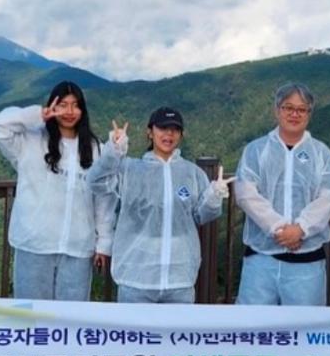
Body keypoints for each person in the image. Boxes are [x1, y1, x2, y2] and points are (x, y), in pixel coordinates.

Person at [87, 108, 229, 303]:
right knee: (134, 326)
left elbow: (200, 215)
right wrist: (113, 151)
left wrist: (214, 196)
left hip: (179, 280)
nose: (168, 134)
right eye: (162, 128)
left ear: (181, 135)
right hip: (135, 278)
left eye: (175, 129)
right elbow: (96, 182)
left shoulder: (192, 173)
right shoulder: (129, 169)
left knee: (178, 325)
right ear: (150, 132)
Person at [0, 81, 110, 301]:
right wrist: (37, 115)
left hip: (77, 246)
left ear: (83, 110)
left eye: (75, 105)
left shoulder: (95, 149)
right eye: (63, 105)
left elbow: (103, 199)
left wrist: (103, 242)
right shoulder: (31, 140)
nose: (69, 111)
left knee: (71, 315)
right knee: (31, 312)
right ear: (52, 106)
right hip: (35, 243)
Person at [234, 83, 330, 306]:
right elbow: (246, 194)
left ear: (309, 114)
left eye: (301, 109)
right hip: (261, 259)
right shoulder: (256, 150)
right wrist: (279, 228)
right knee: (253, 324)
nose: (294, 114)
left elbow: (329, 196)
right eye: (288, 107)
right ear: (277, 110)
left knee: (305, 325)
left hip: (307, 261)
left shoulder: (321, 153)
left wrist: (301, 229)